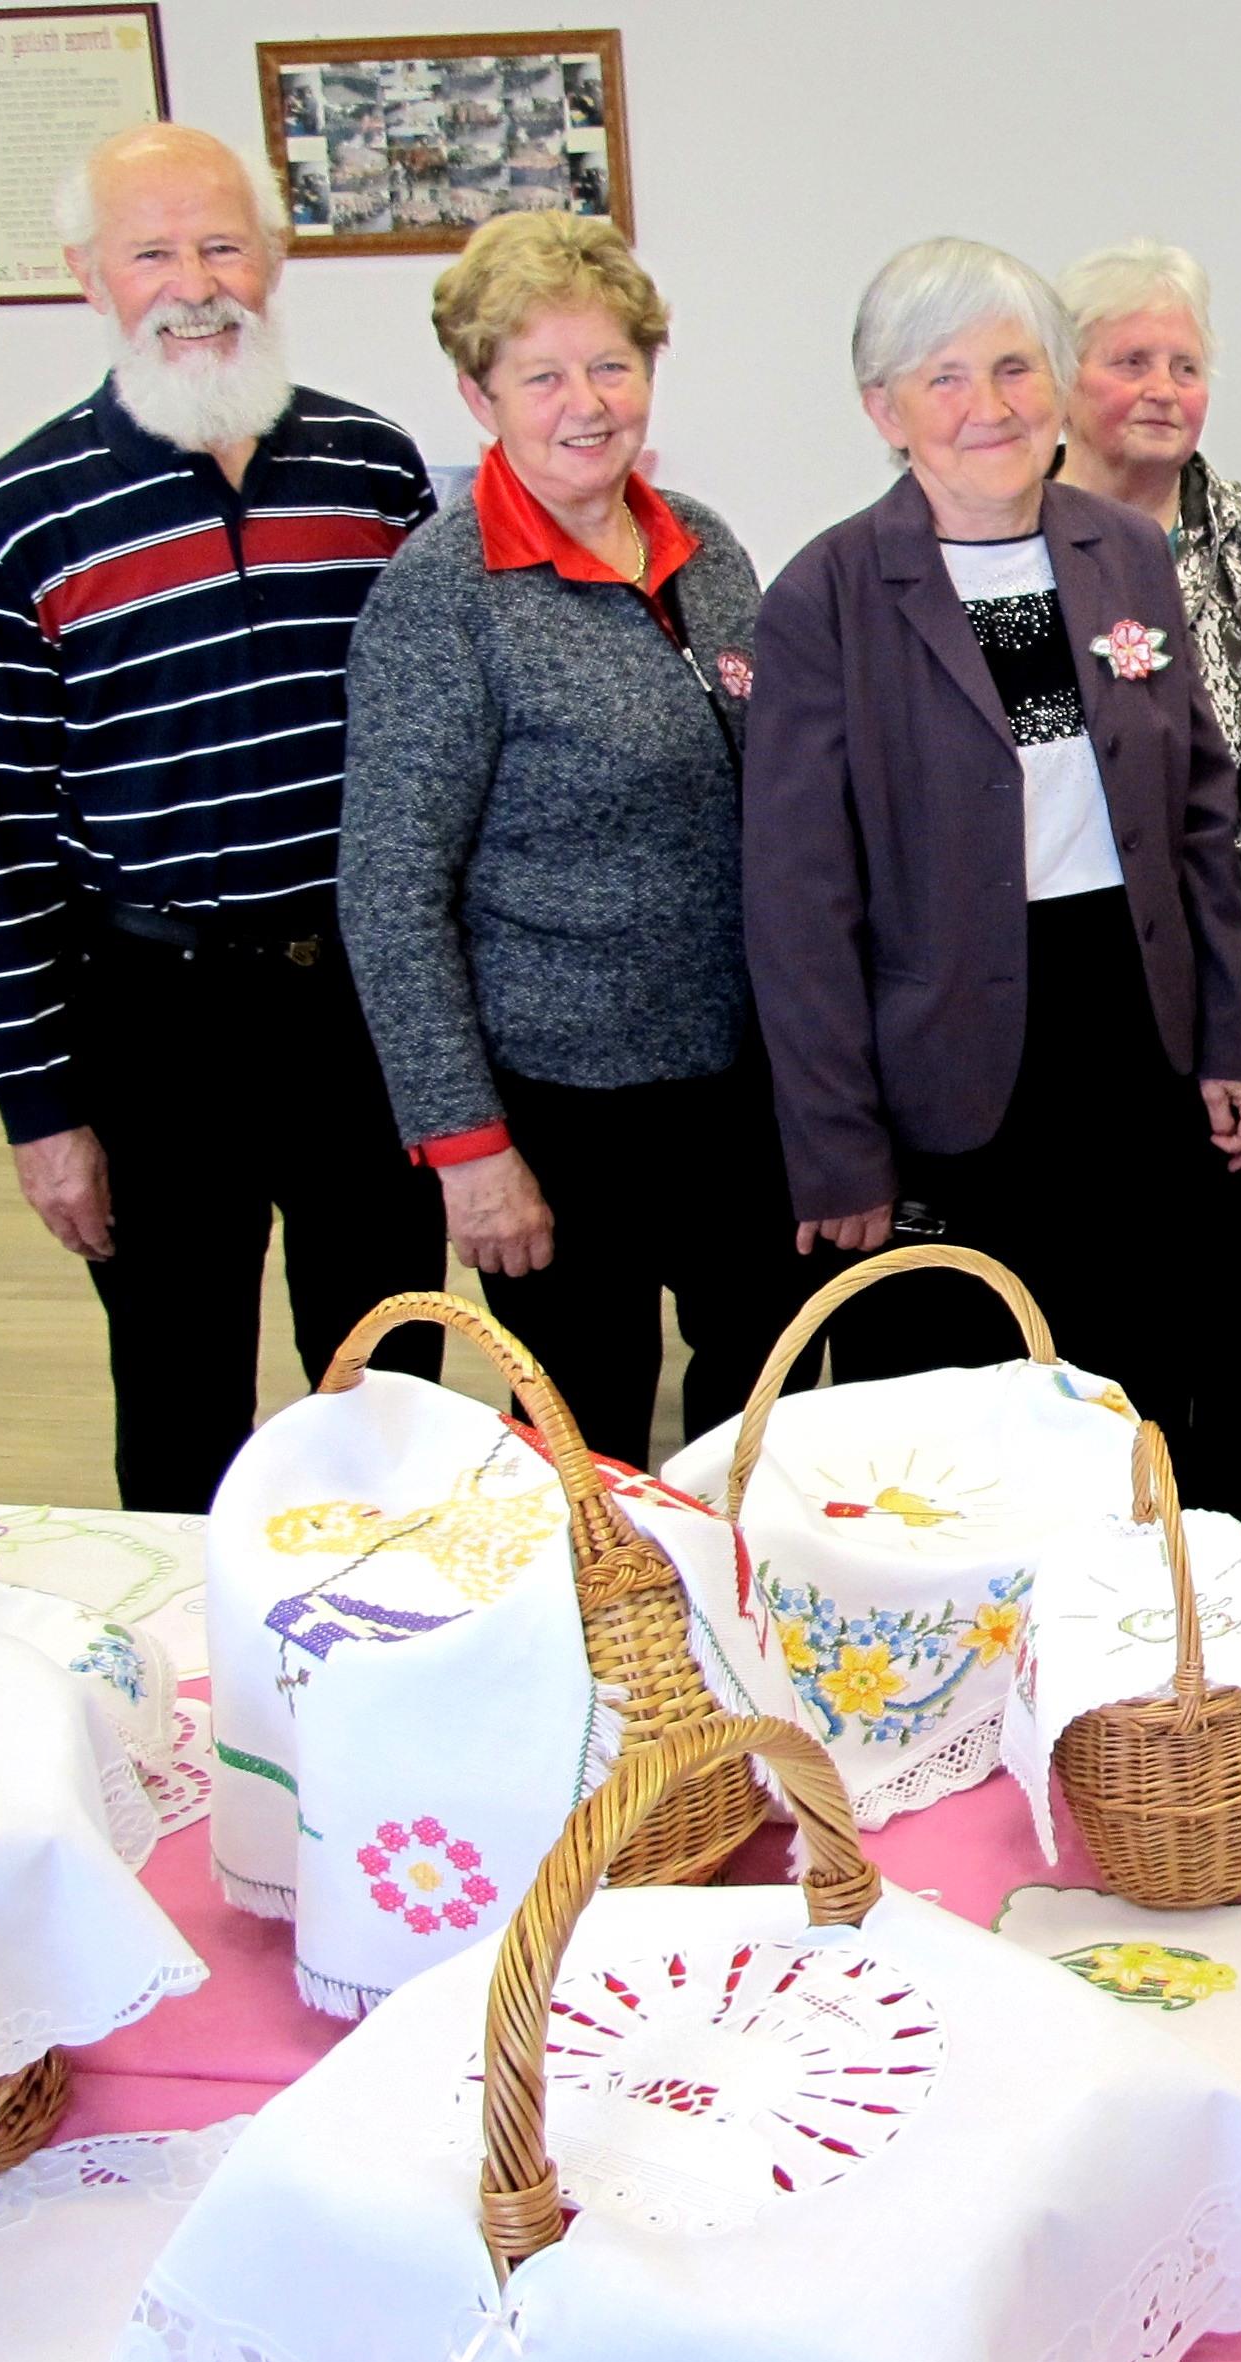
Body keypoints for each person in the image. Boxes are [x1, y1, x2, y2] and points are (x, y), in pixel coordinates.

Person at [0, 123, 441, 1514]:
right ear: (88, 276)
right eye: (152, 252)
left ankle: (399, 1611)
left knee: (389, 1378)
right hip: (151, 1016)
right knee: (178, 1397)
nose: (194, 282)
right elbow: (1, 832)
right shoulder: (19, 513)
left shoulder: (374, 470)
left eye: (224, 244)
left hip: (358, 999)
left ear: (273, 258)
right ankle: (191, 1642)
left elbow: (435, 764)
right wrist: (39, 1109)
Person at [743, 236, 1241, 1439]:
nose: (988, 406)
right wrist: (836, 1143)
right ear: (885, 410)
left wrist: (1232, 1031)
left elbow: (1197, 812)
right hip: (940, 1067)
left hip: (1130, 1033)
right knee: (954, 1430)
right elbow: (797, 901)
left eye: (1015, 368)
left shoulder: (1122, 552)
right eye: (945, 378)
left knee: (1131, 1393)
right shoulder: (826, 596)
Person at [337, 212, 804, 1468]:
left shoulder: (705, 546)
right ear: (478, 396)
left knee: (760, 1407)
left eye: (611, 366)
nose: (586, 405)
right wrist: (468, 1149)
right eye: (542, 376)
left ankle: (730, 1594)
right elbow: (388, 891)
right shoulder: (442, 594)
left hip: (740, 1085)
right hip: (560, 1109)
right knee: (582, 1439)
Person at [1054, 237, 1241, 1531]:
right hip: (1089, 982)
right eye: (1130, 360)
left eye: (1186, 362)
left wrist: (1204, 895)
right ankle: (1127, 1557)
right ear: (1065, 376)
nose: (1162, 388)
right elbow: (1042, 773)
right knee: (1110, 1310)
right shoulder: (1016, 542)